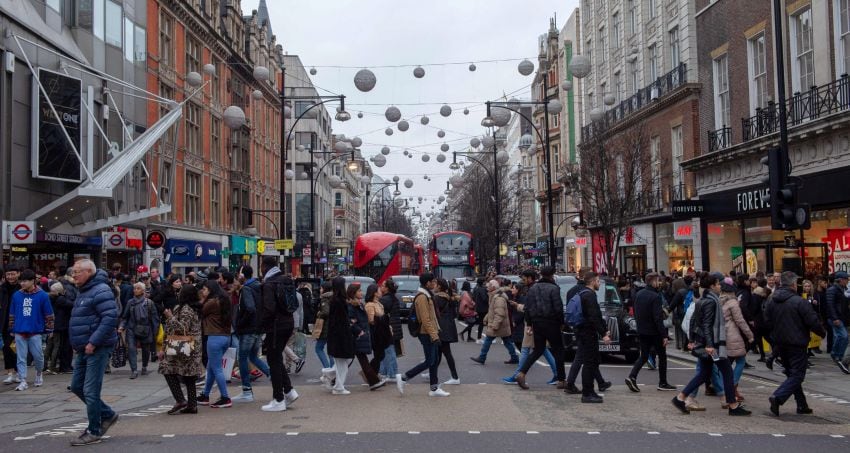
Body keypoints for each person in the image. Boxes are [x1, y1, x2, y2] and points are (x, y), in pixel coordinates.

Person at [671, 273, 750, 416]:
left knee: (704, 373)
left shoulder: (704, 299)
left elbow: (694, 320)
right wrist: (709, 344)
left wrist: (691, 340)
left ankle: (680, 398)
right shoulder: (711, 302)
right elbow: (706, 325)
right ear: (712, 286)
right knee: (726, 371)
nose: (720, 286)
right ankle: (733, 405)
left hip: (707, 342)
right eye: (718, 284)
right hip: (713, 344)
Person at [68, 259, 120, 446]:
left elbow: (110, 317)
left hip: (97, 347)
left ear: (89, 272)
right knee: (76, 386)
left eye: (77, 272)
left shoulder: (101, 290)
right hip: (84, 347)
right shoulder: (84, 290)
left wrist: (93, 341)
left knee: (90, 390)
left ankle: (94, 431)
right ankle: (107, 414)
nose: (74, 275)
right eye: (73, 272)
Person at [764, 271, 828, 416]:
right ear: (793, 284)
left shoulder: (772, 300)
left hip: (780, 343)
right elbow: (812, 321)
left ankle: (802, 405)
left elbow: (766, 321)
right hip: (797, 343)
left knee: (792, 374)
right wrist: (823, 333)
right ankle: (778, 397)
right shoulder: (799, 301)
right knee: (798, 375)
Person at [396, 272, 449, 397]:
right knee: (430, 361)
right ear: (427, 283)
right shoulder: (422, 297)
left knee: (434, 360)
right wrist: (434, 336)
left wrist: (437, 331)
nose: (434, 284)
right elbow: (425, 319)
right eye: (433, 282)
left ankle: (434, 388)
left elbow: (432, 317)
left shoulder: (428, 295)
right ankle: (404, 377)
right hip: (426, 334)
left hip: (431, 332)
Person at [515, 267, 565, 390]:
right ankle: (561, 379)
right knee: (558, 350)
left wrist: (530, 324)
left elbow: (528, 308)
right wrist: (561, 322)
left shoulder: (533, 289)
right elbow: (558, 308)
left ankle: (521, 373)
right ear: (552, 275)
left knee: (538, 350)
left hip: (537, 323)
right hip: (551, 322)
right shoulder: (554, 288)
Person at [259, 257, 299, 410]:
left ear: (264, 267)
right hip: (288, 322)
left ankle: (278, 399)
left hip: (275, 326)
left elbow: (269, 309)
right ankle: (289, 391)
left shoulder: (269, 284)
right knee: (276, 358)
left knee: (273, 361)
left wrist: (261, 325)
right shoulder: (286, 280)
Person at [626, 273, 676, 392]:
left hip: (642, 330)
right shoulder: (655, 296)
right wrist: (664, 335)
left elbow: (636, 313)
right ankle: (662, 383)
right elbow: (657, 317)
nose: (659, 283)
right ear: (653, 282)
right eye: (658, 281)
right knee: (662, 356)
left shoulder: (639, 294)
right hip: (654, 332)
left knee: (644, 356)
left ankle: (632, 376)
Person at [158, 284, 204, 415]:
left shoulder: (186, 310)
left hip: (184, 344)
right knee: (189, 376)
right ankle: (192, 405)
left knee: (166, 368)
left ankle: (180, 400)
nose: (178, 294)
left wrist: (170, 317)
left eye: (180, 292)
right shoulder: (193, 308)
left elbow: (182, 329)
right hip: (192, 345)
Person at [564, 270, 611, 395]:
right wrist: (604, 334)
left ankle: (595, 386)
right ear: (593, 281)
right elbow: (594, 316)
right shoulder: (589, 295)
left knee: (588, 360)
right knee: (589, 362)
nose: (599, 284)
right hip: (587, 332)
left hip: (581, 330)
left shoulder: (582, 293)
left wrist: (604, 330)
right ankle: (588, 392)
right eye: (598, 281)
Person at [9, 269, 55, 391]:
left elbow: (49, 313)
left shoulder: (42, 295)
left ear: (33, 281)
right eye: (21, 281)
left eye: (25, 281)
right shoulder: (17, 295)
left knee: (38, 356)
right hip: (19, 330)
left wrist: (50, 329)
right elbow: (12, 313)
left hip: (35, 331)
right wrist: (11, 328)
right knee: (21, 357)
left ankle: (39, 373)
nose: (22, 283)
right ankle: (23, 380)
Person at [231, 265, 270, 403]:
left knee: (242, 358)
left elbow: (250, 308)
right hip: (258, 328)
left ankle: (246, 391)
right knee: (253, 356)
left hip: (248, 329)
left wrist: (240, 323)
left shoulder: (246, 289)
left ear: (242, 275)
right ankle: (275, 377)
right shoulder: (259, 286)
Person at [197, 280, 233, 408]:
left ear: (211, 290)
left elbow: (200, 311)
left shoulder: (212, 302)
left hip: (214, 338)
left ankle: (225, 397)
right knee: (211, 368)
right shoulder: (224, 300)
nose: (203, 291)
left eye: (205, 289)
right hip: (225, 337)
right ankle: (205, 395)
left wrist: (202, 298)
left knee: (217, 369)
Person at [720, 278, 754, 403]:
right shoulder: (733, 303)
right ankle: (732, 387)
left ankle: (727, 388)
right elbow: (740, 321)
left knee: (727, 363)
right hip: (733, 335)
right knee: (741, 360)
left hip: (722, 334)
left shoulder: (719, 301)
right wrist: (750, 335)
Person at [470, 280, 519, 365]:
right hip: (501, 325)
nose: (487, 287)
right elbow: (492, 310)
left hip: (499, 324)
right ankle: (514, 357)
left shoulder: (498, 298)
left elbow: (500, 313)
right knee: (507, 341)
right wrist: (486, 318)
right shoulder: (495, 296)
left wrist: (495, 325)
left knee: (488, 340)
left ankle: (482, 357)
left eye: (488, 286)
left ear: (493, 287)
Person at [118, 282, 160, 379]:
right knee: (131, 348)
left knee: (146, 349)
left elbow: (155, 318)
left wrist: (155, 331)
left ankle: (144, 366)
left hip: (145, 328)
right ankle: (134, 370)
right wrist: (121, 326)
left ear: (143, 290)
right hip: (132, 328)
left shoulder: (149, 303)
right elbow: (125, 317)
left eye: (138, 288)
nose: (135, 290)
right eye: (134, 288)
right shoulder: (130, 302)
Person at [349, 283, 385, 389]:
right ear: (353, 293)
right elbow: (351, 322)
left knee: (348, 362)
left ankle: (334, 381)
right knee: (355, 361)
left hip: (361, 336)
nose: (362, 293)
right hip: (357, 336)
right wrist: (359, 331)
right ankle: (373, 381)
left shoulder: (360, 304)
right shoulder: (352, 306)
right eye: (359, 291)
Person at [326, 276, 355, 395]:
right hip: (341, 336)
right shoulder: (340, 301)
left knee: (342, 362)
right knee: (343, 362)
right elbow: (341, 320)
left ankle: (333, 379)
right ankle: (338, 386)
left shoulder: (335, 300)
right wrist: (349, 322)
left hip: (336, 335)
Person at [433, 278, 460, 385]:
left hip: (442, 328)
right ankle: (432, 372)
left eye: (435, 284)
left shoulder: (437, 298)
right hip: (448, 326)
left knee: (446, 353)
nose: (434, 286)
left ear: (439, 286)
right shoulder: (449, 297)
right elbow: (454, 314)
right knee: (438, 352)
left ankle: (455, 377)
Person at [44, 282, 73, 374]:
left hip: (52, 325)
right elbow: (72, 304)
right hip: (60, 326)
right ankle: (54, 366)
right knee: (58, 347)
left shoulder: (49, 298)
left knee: (50, 346)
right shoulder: (61, 299)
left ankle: (45, 366)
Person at [825, 271, 850, 374]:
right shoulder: (832, 290)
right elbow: (830, 305)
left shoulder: (844, 290)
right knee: (843, 336)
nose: (847, 281)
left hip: (842, 318)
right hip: (835, 318)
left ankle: (838, 356)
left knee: (843, 337)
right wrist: (835, 318)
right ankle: (836, 354)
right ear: (840, 280)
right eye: (846, 279)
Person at [379, 278, 402, 380]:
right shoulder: (393, 297)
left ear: (387, 288)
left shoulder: (385, 299)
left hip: (389, 328)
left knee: (388, 351)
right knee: (386, 350)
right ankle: (384, 372)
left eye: (383, 286)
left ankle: (392, 374)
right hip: (394, 327)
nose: (380, 287)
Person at [1, 264, 21, 384]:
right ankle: (10, 373)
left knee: (17, 349)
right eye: (8, 274)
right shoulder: (2, 288)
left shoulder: (22, 287)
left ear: (18, 274)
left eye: (13, 274)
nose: (10, 276)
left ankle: (19, 372)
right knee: (7, 349)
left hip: (18, 323)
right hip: (4, 323)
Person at [314, 281, 333, 370]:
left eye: (321, 288)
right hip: (332, 326)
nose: (320, 290)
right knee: (330, 350)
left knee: (318, 348)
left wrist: (319, 313)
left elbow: (326, 312)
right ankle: (333, 369)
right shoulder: (333, 297)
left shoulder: (325, 299)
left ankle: (327, 368)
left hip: (325, 327)